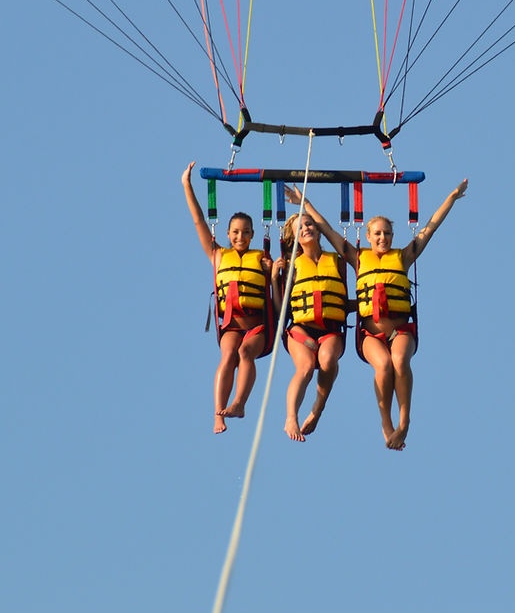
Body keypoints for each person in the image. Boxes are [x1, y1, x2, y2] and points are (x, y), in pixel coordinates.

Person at [285, 178, 468, 450]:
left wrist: (450, 198)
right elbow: (328, 229)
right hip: (370, 332)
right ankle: (387, 424)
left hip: (400, 330)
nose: (383, 238)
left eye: (387, 234)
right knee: (383, 365)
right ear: (368, 237)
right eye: (378, 234)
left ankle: (404, 422)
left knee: (399, 360)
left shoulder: (403, 257)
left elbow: (429, 229)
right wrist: (305, 203)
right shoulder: (357, 258)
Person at [182, 161, 274, 434]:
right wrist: (187, 185)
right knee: (228, 356)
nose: (240, 236)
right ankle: (218, 415)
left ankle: (239, 403)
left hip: (257, 326)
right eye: (235, 232)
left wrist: (273, 272)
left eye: (246, 232)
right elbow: (199, 220)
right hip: (231, 324)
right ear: (227, 234)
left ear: (253, 235)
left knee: (245, 353)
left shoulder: (263, 258)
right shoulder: (218, 255)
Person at [274, 211, 349, 442]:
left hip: (330, 329)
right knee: (305, 367)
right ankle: (291, 418)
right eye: (300, 227)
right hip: (301, 330)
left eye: (309, 224)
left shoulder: (336, 261)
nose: (306, 228)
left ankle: (317, 408)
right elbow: (280, 310)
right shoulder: (290, 266)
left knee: (327, 360)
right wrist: (273, 280)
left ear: (317, 229)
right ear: (293, 237)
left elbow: (343, 301)